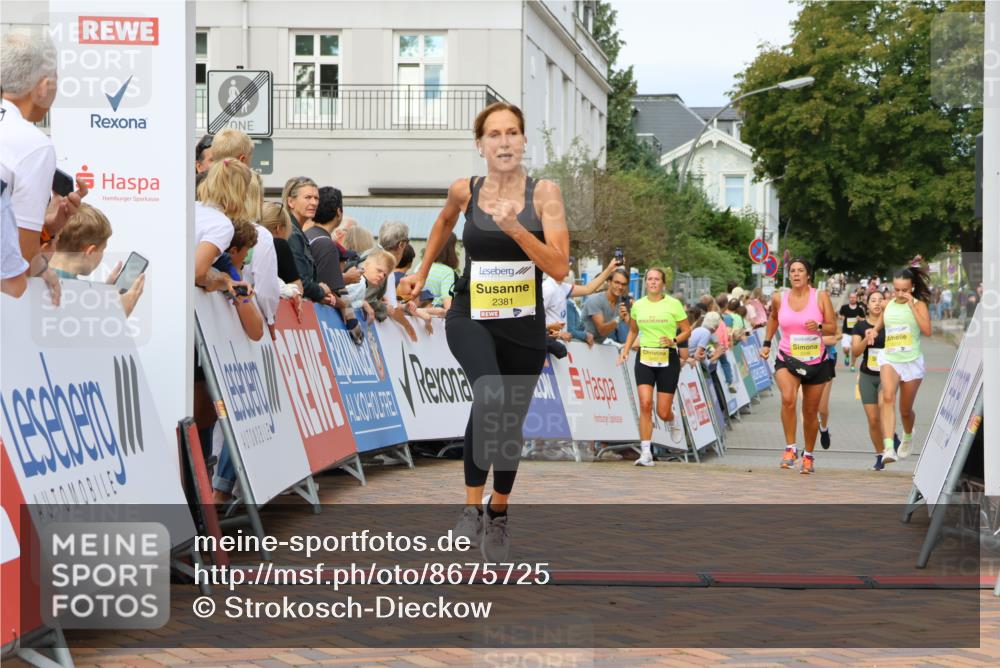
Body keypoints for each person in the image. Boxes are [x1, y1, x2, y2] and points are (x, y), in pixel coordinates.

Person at [399, 102, 569, 561]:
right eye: (494, 134)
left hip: (523, 320)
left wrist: (516, 229)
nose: (504, 141)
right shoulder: (465, 189)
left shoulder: (545, 194)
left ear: (524, 140)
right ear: (480, 145)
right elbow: (442, 224)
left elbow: (558, 265)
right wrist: (421, 270)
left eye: (512, 132)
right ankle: (471, 510)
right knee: (489, 392)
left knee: (508, 420)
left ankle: (499, 512)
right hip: (471, 310)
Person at [1, 29, 87, 272]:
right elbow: (22, 262)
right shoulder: (32, 144)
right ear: (42, 87)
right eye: (56, 79)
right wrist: (44, 270)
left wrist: (47, 228)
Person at [760, 259, 836, 474]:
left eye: (800, 271)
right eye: (792, 271)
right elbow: (774, 318)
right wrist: (767, 343)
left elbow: (832, 327)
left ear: (808, 275)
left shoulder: (820, 297)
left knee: (810, 412)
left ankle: (809, 455)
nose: (796, 274)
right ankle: (790, 448)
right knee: (788, 398)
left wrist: (819, 326)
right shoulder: (779, 297)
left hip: (815, 361)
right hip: (787, 357)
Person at [616, 267, 691, 466]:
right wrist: (625, 349)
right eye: (649, 279)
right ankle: (646, 453)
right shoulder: (638, 305)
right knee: (645, 404)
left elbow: (687, 331)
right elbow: (633, 331)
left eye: (657, 279)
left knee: (662, 412)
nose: (653, 282)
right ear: (645, 283)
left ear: (663, 283)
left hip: (668, 358)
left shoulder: (673, 304)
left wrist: (674, 339)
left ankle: (672, 419)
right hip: (645, 357)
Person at [864, 266, 932, 463]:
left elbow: (927, 331)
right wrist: (874, 330)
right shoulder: (889, 304)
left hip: (911, 362)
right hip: (890, 358)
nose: (900, 294)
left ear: (911, 288)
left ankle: (908, 436)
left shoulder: (919, 305)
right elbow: (885, 320)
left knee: (905, 410)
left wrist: (911, 305)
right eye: (896, 289)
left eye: (904, 290)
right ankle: (888, 448)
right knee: (887, 397)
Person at [46, 203, 144, 316]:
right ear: (90, 251)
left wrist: (103, 293)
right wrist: (120, 313)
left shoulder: (33, 275)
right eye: (102, 249)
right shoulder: (74, 296)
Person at [306, 186, 362, 343]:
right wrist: (353, 324)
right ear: (339, 212)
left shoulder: (305, 236)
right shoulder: (327, 245)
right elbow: (330, 291)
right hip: (317, 331)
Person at [851, 291, 899, 471]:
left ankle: (890, 439)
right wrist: (867, 337)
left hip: (888, 374)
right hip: (867, 375)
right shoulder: (860, 326)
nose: (877, 303)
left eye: (881, 300)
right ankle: (880, 454)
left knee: (882, 406)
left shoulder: (892, 324)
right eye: (873, 300)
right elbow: (855, 352)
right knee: (873, 419)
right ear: (867, 304)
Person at [194, 159, 253, 294]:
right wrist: (221, 281)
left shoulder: (193, 208)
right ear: (240, 191)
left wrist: (225, 280)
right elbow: (197, 272)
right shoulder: (222, 225)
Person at [543, 258, 622, 345]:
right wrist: (551, 330)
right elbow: (532, 322)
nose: (569, 270)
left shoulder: (562, 286)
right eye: (567, 266)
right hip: (548, 345)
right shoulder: (547, 289)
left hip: (558, 344)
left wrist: (609, 269)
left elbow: (588, 289)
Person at [582, 268, 631, 344]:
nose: (620, 287)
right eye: (617, 282)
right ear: (609, 282)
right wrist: (619, 318)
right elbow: (602, 331)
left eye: (623, 284)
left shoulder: (622, 302)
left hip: (598, 346)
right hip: (580, 345)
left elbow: (632, 330)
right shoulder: (595, 300)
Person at [423, 231, 460, 309]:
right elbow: (447, 302)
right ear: (451, 249)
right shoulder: (448, 272)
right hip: (438, 315)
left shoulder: (421, 266)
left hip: (417, 313)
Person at [838, 291, 866, 371]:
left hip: (856, 332)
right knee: (846, 349)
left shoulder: (859, 309)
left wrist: (859, 319)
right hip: (846, 331)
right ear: (849, 298)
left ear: (856, 298)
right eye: (851, 297)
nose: (852, 299)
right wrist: (841, 317)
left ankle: (852, 365)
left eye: (854, 297)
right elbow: (839, 315)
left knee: (854, 350)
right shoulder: (844, 307)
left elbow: (864, 319)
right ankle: (847, 355)